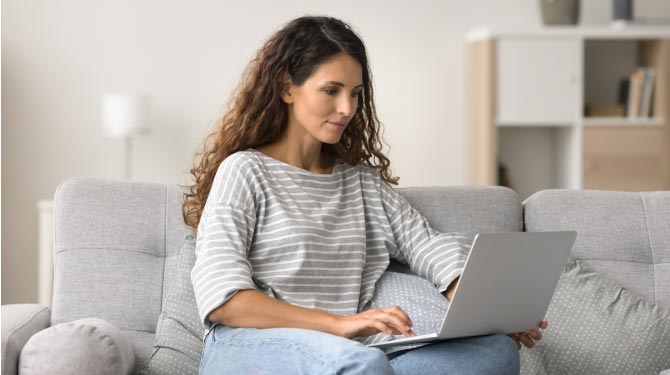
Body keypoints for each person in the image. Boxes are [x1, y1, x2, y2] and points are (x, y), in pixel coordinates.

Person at [183, 16, 545, 375]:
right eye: (331, 91)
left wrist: (489, 305)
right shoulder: (244, 171)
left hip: (346, 356)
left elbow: (427, 244)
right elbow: (224, 301)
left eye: (355, 94)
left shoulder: (360, 184)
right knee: (363, 362)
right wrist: (339, 324)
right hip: (249, 344)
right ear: (287, 87)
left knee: (494, 352)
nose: (347, 109)